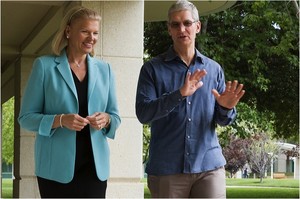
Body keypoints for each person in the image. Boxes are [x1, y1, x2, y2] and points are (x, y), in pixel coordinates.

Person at [135, 0, 245, 198]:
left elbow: (222, 120)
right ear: (169, 29)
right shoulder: (152, 69)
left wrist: (226, 108)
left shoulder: (213, 69)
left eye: (187, 23)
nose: (182, 29)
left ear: (197, 26)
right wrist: (179, 95)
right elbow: (143, 113)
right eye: (175, 24)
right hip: (168, 168)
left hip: (208, 166)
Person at [18, 6, 121, 198]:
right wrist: (60, 120)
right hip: (55, 170)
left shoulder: (105, 70)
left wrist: (106, 119)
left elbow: (115, 116)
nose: (92, 38)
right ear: (68, 31)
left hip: (94, 169)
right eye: (85, 31)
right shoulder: (44, 66)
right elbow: (26, 118)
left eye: (95, 32)